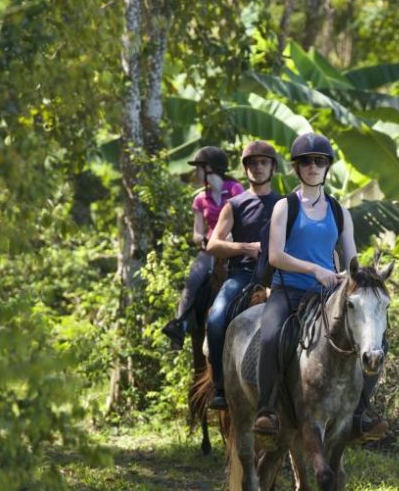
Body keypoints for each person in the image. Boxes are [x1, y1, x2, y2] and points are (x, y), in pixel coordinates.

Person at [252, 132, 386, 440]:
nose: (313, 166)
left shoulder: (339, 211)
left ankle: (361, 411)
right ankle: (267, 411)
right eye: (306, 162)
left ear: (327, 168)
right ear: (296, 168)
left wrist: (349, 276)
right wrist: (315, 268)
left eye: (320, 161)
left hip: (327, 294)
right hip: (288, 290)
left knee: (375, 339)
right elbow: (275, 255)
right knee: (273, 336)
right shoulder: (285, 207)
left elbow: (351, 258)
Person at [204, 141, 280, 410]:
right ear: (246, 168)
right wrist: (245, 247)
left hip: (279, 276)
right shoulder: (234, 204)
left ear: (272, 167)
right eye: (253, 163)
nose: (258, 168)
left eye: (263, 163)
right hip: (242, 275)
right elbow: (213, 244)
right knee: (215, 318)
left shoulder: (284, 204)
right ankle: (221, 386)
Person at [162, 146, 243, 345]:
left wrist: (229, 240)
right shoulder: (199, 199)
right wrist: (202, 239)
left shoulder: (235, 189)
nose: (195, 173)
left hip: (235, 244)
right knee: (193, 281)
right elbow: (197, 232)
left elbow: (241, 219)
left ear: (209, 169)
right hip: (210, 248)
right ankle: (180, 326)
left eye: (198, 168)